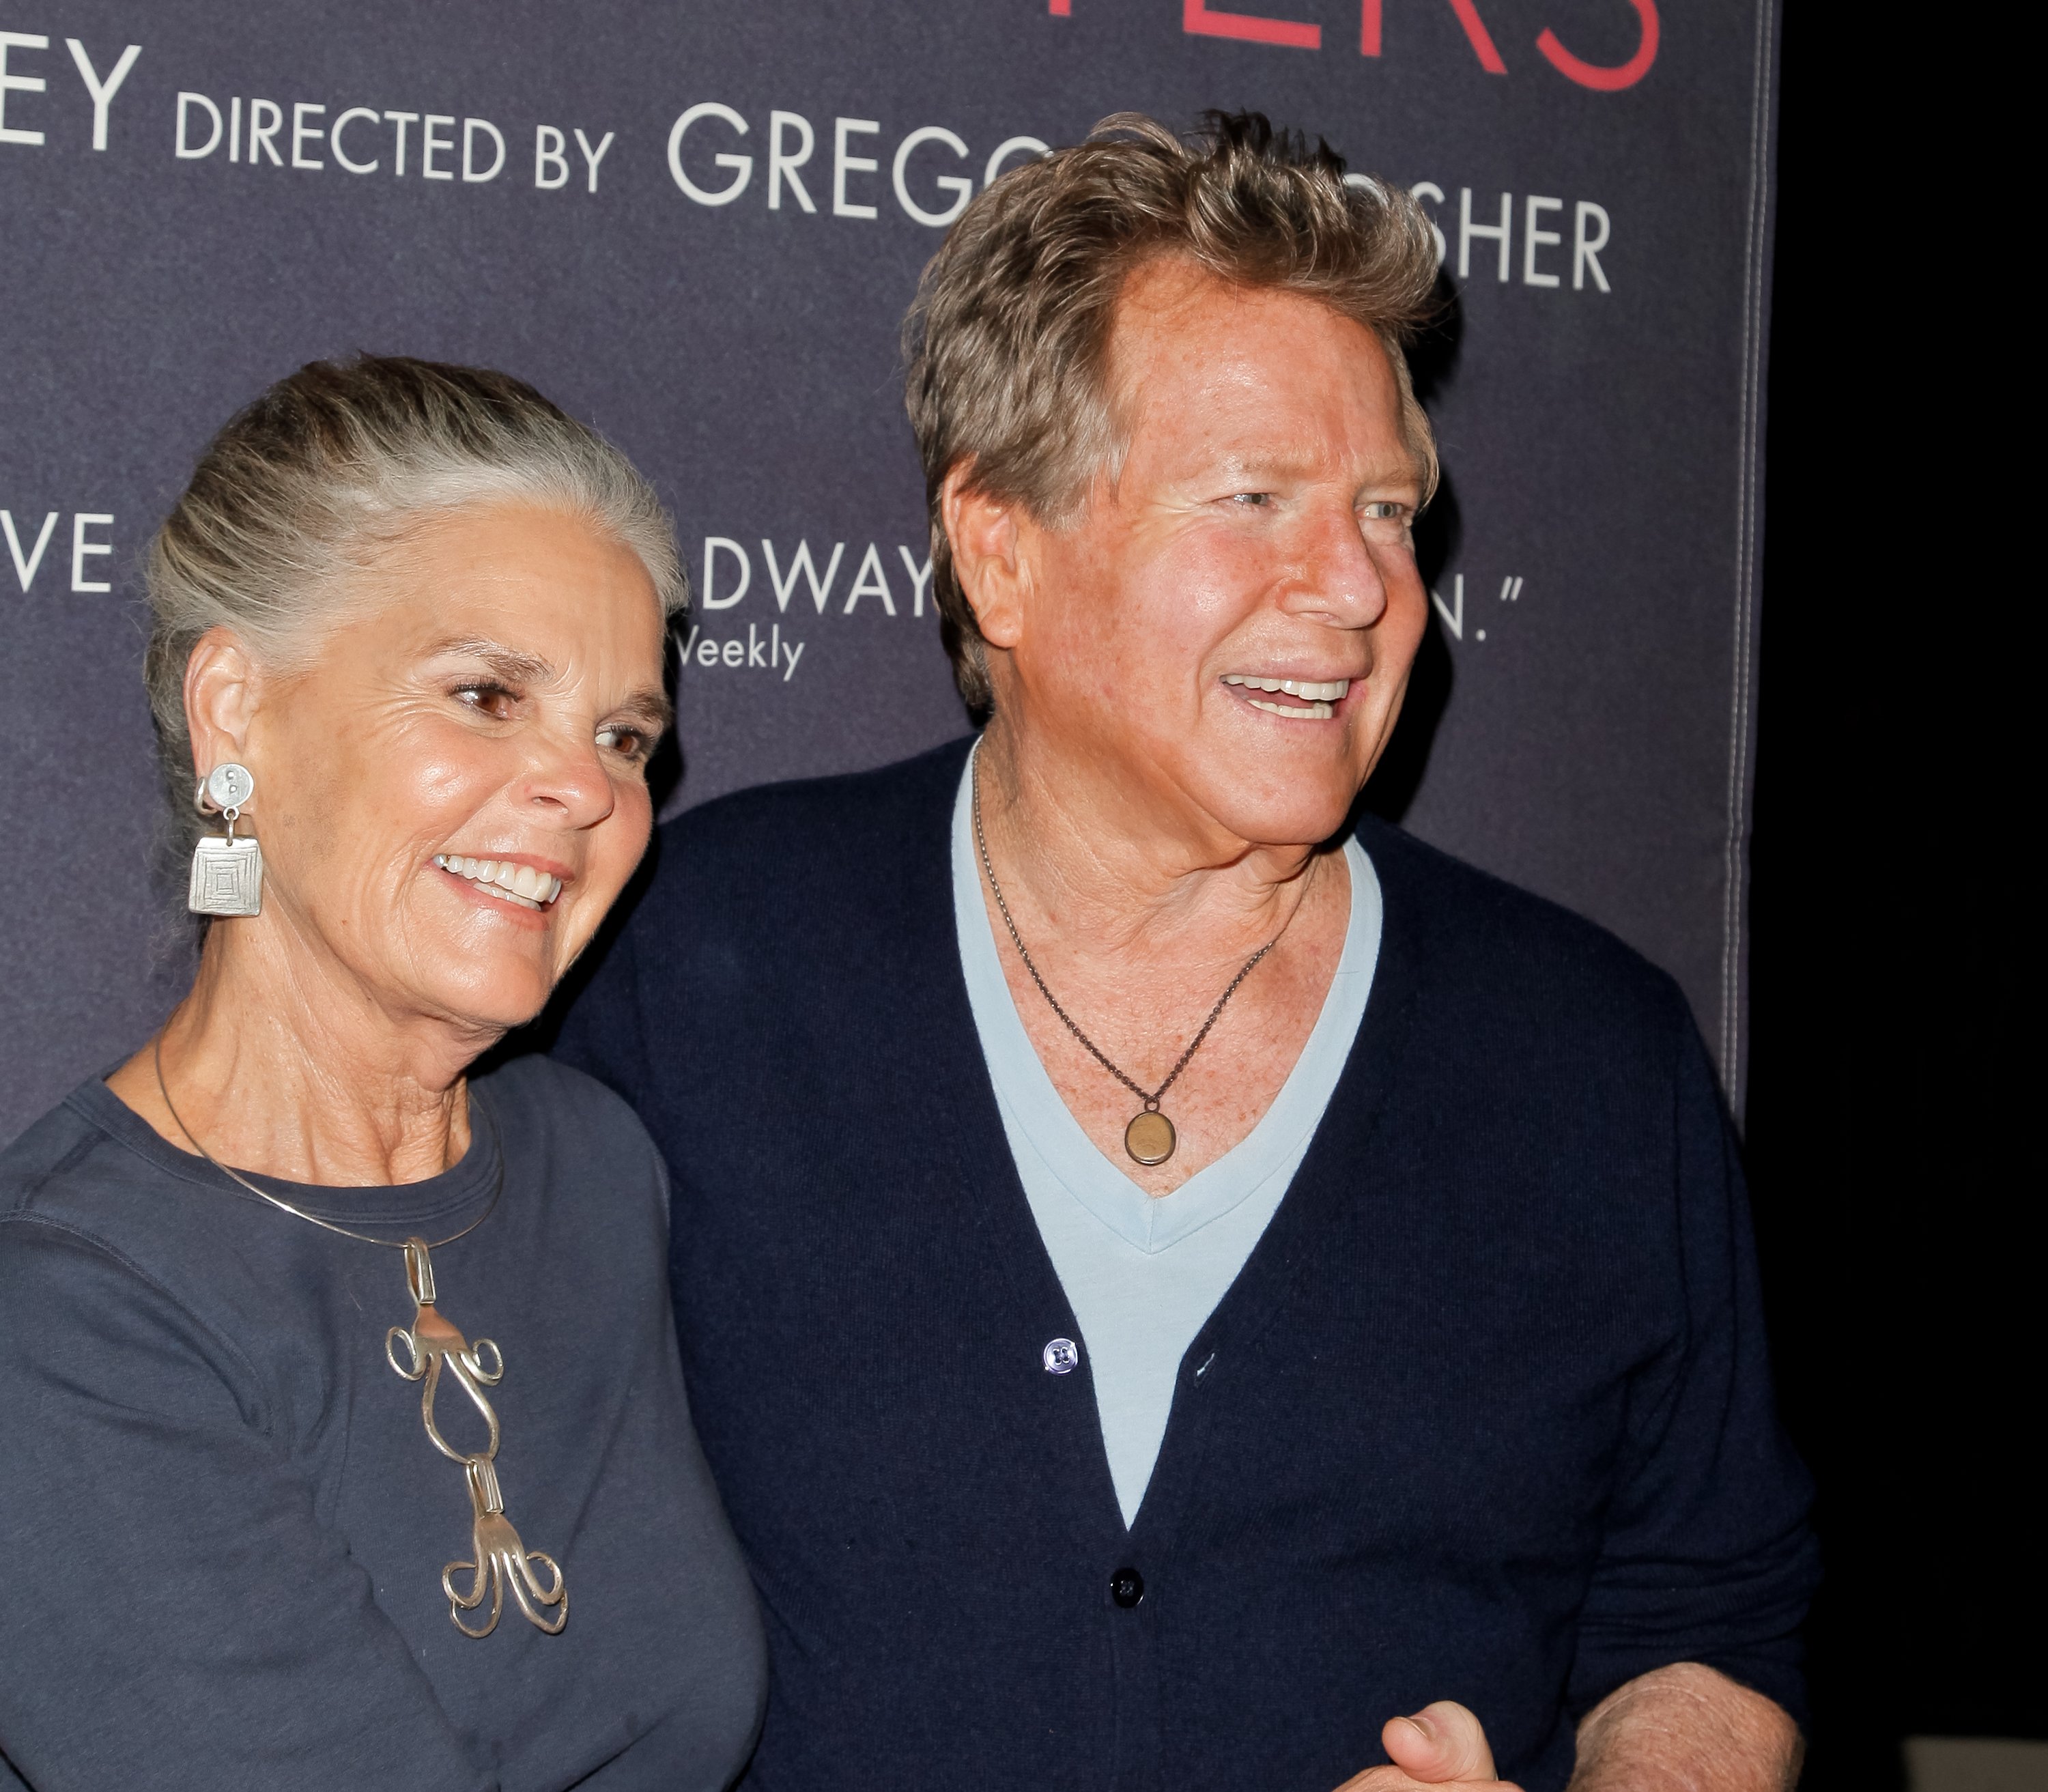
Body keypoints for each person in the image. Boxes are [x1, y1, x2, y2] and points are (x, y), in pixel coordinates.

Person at [554, 115, 1816, 1792]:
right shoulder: (695, 962)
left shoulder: (1593, 1056)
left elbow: (1708, 1611)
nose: (1363, 586)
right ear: (998, 546)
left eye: (1388, 509)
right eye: (1256, 499)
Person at [0, 358, 765, 1791]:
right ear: (236, 713)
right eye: (484, 694)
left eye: (623, 736)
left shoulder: (594, 1167)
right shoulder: (58, 1309)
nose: (590, 789)